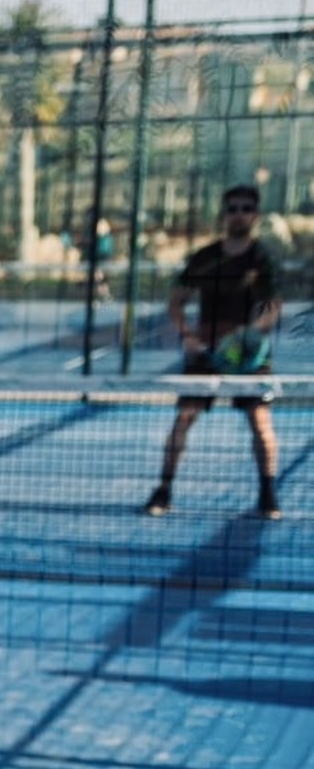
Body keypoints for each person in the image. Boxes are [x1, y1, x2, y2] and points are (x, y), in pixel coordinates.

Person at [144, 185, 282, 520]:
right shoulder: (204, 257)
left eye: (246, 208)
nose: (239, 213)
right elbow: (176, 301)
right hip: (204, 353)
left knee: (260, 423)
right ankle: (163, 490)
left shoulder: (262, 259)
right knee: (183, 419)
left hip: (248, 357)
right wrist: (188, 336)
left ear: (255, 215)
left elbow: (273, 306)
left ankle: (268, 494)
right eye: (232, 207)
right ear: (224, 214)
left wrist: (250, 334)